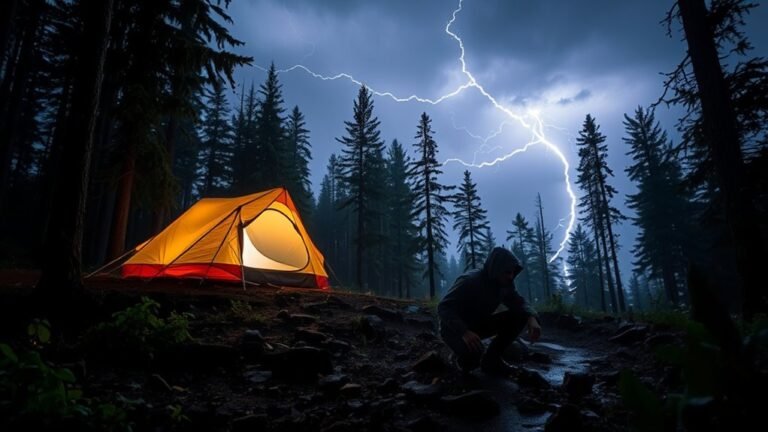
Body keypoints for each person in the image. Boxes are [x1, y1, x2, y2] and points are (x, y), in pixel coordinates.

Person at [438, 247, 541, 375]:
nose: (511, 276)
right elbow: (444, 307)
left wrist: (531, 317)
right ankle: (456, 360)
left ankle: (492, 360)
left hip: (478, 324)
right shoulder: (470, 281)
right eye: (507, 272)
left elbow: (518, 302)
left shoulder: (504, 284)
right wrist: (464, 332)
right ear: (496, 269)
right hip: (454, 330)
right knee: (471, 362)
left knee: (520, 316)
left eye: (512, 273)